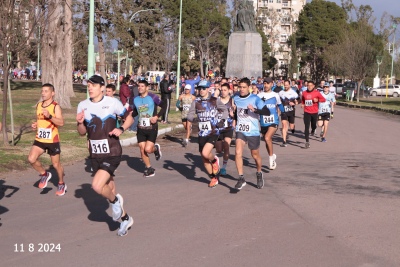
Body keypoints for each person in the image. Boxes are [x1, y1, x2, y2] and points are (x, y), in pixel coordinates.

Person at [76, 75, 134, 236]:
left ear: (102, 87)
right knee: (109, 188)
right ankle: (125, 219)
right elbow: (82, 133)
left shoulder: (112, 102)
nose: (90, 87)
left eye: (93, 85)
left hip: (112, 151)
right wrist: (80, 122)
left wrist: (121, 129)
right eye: (88, 85)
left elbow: (129, 117)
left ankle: (116, 202)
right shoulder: (83, 105)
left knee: (97, 186)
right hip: (95, 154)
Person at [28, 83, 66, 196]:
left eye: (46, 91)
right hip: (40, 138)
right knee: (31, 159)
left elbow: (61, 122)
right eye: (42, 91)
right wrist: (36, 125)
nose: (43, 93)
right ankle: (44, 174)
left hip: (52, 140)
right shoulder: (39, 105)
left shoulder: (55, 106)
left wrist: (50, 116)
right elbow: (40, 120)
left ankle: (61, 183)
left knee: (56, 165)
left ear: (52, 93)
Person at [187, 82, 228, 188]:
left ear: (208, 89)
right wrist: (192, 119)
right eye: (200, 88)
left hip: (213, 131)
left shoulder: (214, 100)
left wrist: (222, 120)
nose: (201, 90)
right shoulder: (196, 101)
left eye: (204, 88)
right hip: (202, 132)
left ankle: (214, 160)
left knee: (206, 153)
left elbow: (225, 111)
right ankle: (213, 177)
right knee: (204, 158)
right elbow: (190, 114)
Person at [233, 78, 268, 190]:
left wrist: (255, 110)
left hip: (253, 131)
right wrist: (232, 114)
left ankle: (259, 173)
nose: (241, 89)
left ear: (249, 87)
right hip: (240, 129)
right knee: (238, 152)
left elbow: (267, 111)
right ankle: (241, 178)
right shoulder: (236, 97)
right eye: (240, 87)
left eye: (244, 87)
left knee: (255, 155)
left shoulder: (255, 98)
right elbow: (236, 111)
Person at [131, 80, 166, 177]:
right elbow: (135, 112)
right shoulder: (136, 99)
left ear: (147, 87)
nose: (140, 88)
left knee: (148, 149)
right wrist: (128, 115)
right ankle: (149, 168)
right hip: (141, 128)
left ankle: (155, 149)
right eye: (139, 86)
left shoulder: (153, 97)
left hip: (152, 127)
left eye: (142, 86)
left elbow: (164, 106)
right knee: (142, 149)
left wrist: (157, 116)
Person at [255, 77, 283, 170]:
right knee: (267, 141)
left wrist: (284, 115)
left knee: (267, 137)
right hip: (263, 122)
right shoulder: (259, 96)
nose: (266, 85)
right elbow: (256, 108)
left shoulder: (275, 95)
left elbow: (279, 105)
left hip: (274, 121)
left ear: (272, 84)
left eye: (268, 83)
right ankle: (272, 155)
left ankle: (271, 159)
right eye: (264, 83)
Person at [215, 83, 235, 176]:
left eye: (225, 90)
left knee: (226, 146)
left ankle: (223, 167)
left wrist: (233, 115)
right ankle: (217, 161)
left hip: (228, 127)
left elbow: (237, 113)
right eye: (222, 90)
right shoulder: (216, 101)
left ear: (229, 91)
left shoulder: (232, 101)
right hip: (218, 128)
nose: (223, 92)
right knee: (219, 150)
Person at [301, 81, 326, 149]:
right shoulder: (304, 93)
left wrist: (317, 100)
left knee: (314, 125)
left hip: (314, 112)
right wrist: (302, 104)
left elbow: (323, 99)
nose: (309, 87)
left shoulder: (317, 93)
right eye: (308, 85)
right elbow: (303, 100)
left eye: (311, 85)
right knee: (306, 127)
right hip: (306, 112)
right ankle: (307, 142)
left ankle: (313, 130)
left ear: (313, 86)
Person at [279, 80, 299, 147]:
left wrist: (295, 103)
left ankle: (293, 128)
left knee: (291, 126)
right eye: (285, 85)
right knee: (284, 125)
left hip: (291, 111)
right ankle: (284, 141)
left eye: (287, 85)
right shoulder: (281, 93)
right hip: (284, 111)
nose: (286, 86)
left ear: (289, 85)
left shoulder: (293, 92)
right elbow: (278, 101)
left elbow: (299, 100)